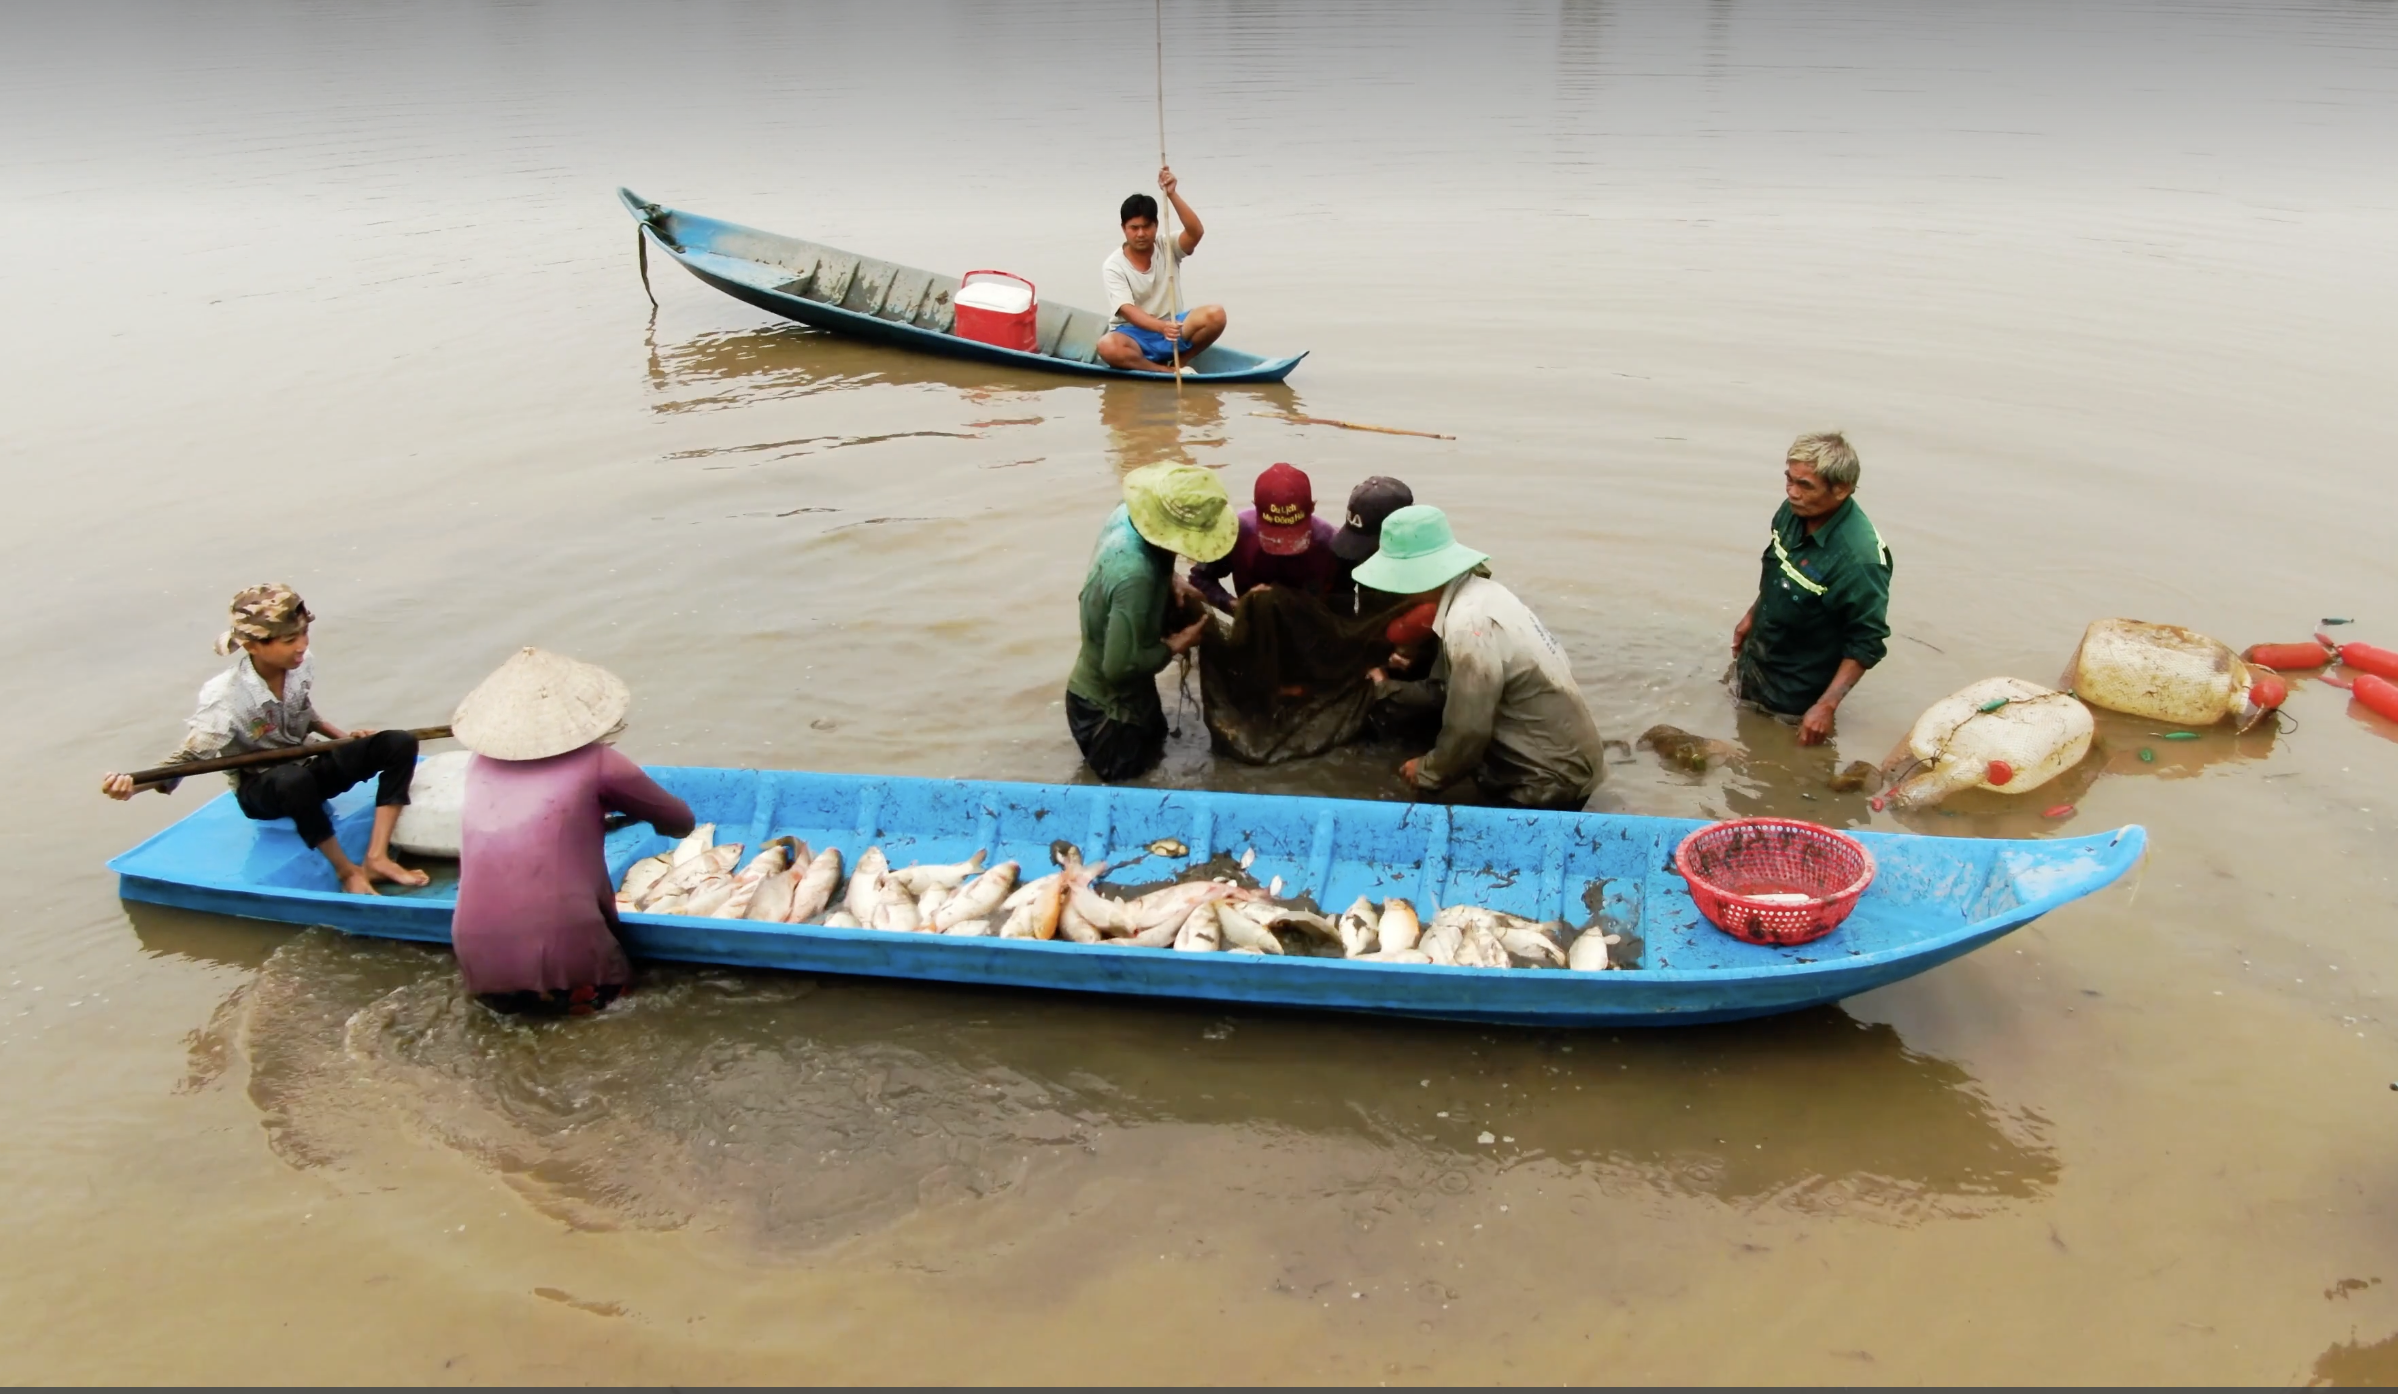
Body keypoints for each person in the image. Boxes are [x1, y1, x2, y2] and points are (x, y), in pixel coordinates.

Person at [100, 584, 427, 897]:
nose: (301, 645)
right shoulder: (225, 699)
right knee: (292, 780)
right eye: (288, 640)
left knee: (397, 743)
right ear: (253, 646)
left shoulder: (301, 663)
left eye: (303, 633)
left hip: (307, 764)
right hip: (264, 790)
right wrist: (133, 785)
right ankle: (347, 871)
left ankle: (377, 857)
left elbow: (305, 711)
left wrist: (346, 741)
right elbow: (189, 758)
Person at [448, 647, 696, 1017]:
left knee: (513, 1033)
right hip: (566, 955)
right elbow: (681, 823)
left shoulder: (477, 764)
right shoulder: (600, 762)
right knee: (613, 1027)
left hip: (476, 955)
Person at [1354, 506, 1607, 811]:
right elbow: (1447, 691)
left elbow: (1468, 729)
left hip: (1547, 781)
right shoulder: (1486, 593)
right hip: (1575, 762)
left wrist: (1428, 770)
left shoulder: (1468, 625)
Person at [1066, 462, 1237, 781]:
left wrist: (1170, 579)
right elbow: (1117, 668)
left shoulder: (1128, 516)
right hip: (1110, 715)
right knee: (1129, 795)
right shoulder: (1135, 577)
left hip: (1134, 699)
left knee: (1156, 763)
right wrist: (1179, 642)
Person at [1729, 431, 1893, 746]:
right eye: (1789, 479)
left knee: (1778, 766)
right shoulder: (1793, 512)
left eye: (1805, 485)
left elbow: (1867, 642)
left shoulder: (1860, 560)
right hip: (1756, 659)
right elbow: (1778, 569)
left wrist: (1826, 705)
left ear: (1841, 489)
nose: (1792, 492)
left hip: (1796, 692)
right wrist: (1751, 616)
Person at [1096, 168, 1228, 376]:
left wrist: (1172, 194)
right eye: (1134, 227)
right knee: (1107, 346)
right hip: (1133, 335)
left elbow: (1196, 232)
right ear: (1124, 228)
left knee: (1216, 315)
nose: (1141, 234)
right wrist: (1160, 328)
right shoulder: (1113, 265)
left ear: (1156, 225)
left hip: (1173, 327)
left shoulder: (1167, 246)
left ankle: (1179, 362)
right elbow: (1128, 309)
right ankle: (1162, 371)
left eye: (1147, 226)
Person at [1188, 462, 1347, 610]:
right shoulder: (1235, 533)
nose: (1282, 547)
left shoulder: (1332, 545)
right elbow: (1199, 578)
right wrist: (1237, 607)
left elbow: (1344, 603)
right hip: (1253, 621)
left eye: (1292, 537)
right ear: (1256, 509)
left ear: (1312, 508)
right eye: (1274, 536)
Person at [1328, 475, 1415, 616]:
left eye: (1368, 546)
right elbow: (1340, 595)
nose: (1358, 551)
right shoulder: (1348, 553)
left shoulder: (1426, 559)